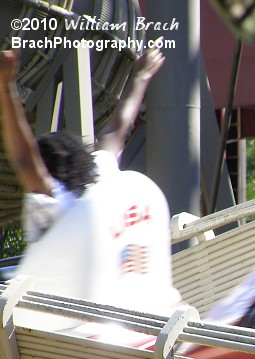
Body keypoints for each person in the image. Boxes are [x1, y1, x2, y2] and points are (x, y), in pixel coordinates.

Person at [0, 46, 164, 245]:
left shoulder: (60, 203)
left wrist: (7, 88)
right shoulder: (100, 174)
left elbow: (24, 160)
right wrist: (141, 74)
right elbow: (117, 126)